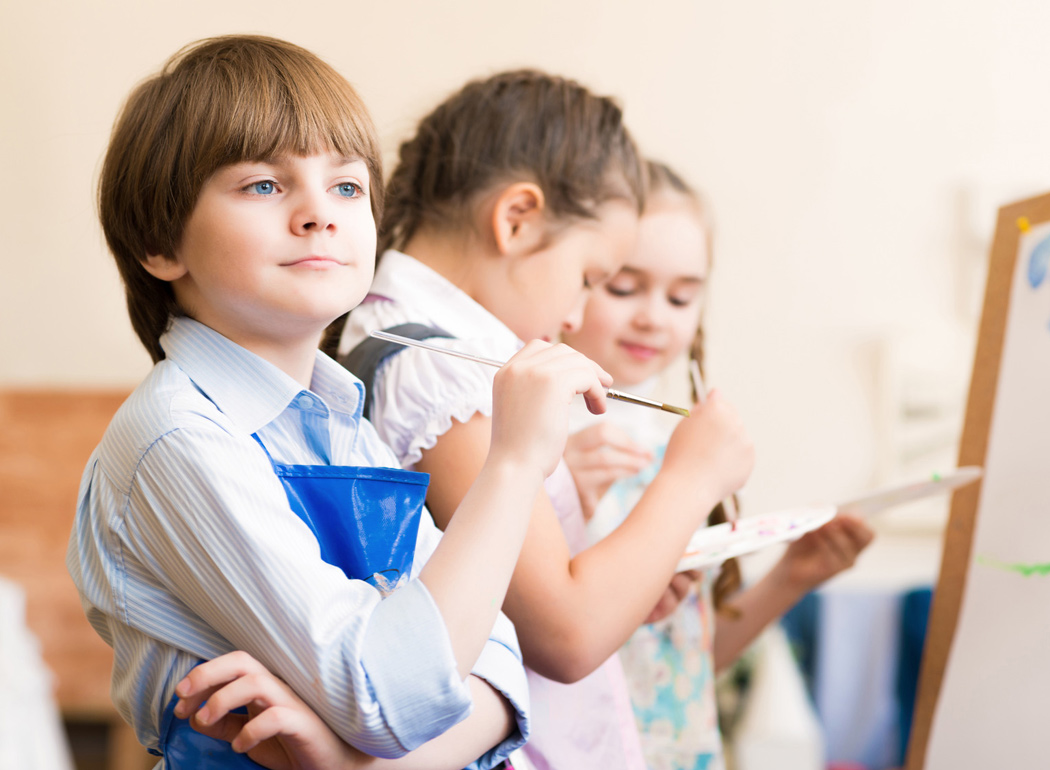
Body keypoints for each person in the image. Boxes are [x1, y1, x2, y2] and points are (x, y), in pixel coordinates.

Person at [66, 35, 618, 770]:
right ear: (162, 244)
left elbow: (496, 674)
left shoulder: (339, 421)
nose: (317, 213)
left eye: (347, 187)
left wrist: (350, 763)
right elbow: (394, 693)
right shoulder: (177, 437)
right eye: (264, 185)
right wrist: (513, 463)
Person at [329, 70, 755, 769]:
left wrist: (627, 582)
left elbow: (506, 597)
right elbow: (567, 634)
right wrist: (692, 475)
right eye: (592, 277)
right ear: (517, 219)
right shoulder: (447, 374)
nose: (581, 316)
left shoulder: (424, 344)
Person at [561, 160, 876, 770]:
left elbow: (685, 666)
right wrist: (557, 495)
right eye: (625, 287)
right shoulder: (544, 447)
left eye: (682, 295)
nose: (655, 315)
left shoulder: (679, 454)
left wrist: (792, 578)